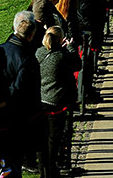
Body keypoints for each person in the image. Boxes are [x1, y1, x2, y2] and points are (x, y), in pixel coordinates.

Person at [0, 11, 42, 178]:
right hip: (17, 113)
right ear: (31, 35)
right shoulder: (25, 57)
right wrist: (4, 100)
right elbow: (20, 86)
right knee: (13, 158)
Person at [35, 27, 80, 178]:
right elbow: (77, 65)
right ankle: (52, 169)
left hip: (40, 101)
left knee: (42, 140)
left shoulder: (39, 52)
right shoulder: (62, 56)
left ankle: (45, 171)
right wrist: (71, 47)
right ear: (61, 39)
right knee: (54, 140)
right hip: (56, 103)